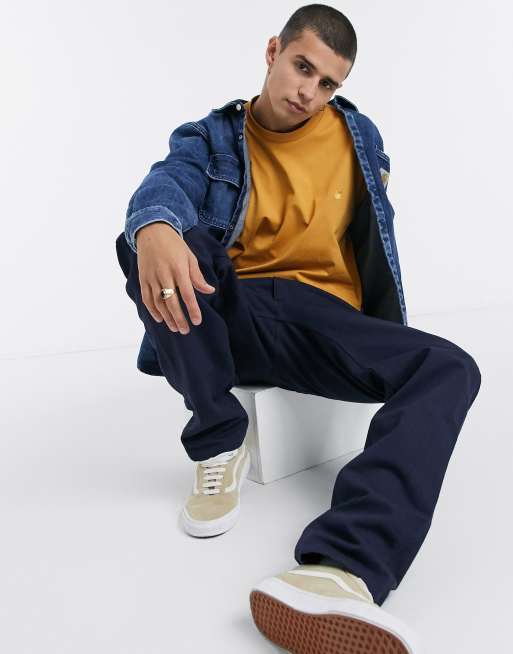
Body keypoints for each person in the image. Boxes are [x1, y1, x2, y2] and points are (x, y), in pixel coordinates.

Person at [115, 4, 481, 652]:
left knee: (451, 366)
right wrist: (153, 226)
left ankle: (341, 570)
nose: (308, 91)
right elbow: (166, 182)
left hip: (323, 320)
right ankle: (218, 438)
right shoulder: (211, 138)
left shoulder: (358, 136)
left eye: (327, 82)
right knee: (160, 237)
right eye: (301, 67)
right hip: (236, 307)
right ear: (272, 52)